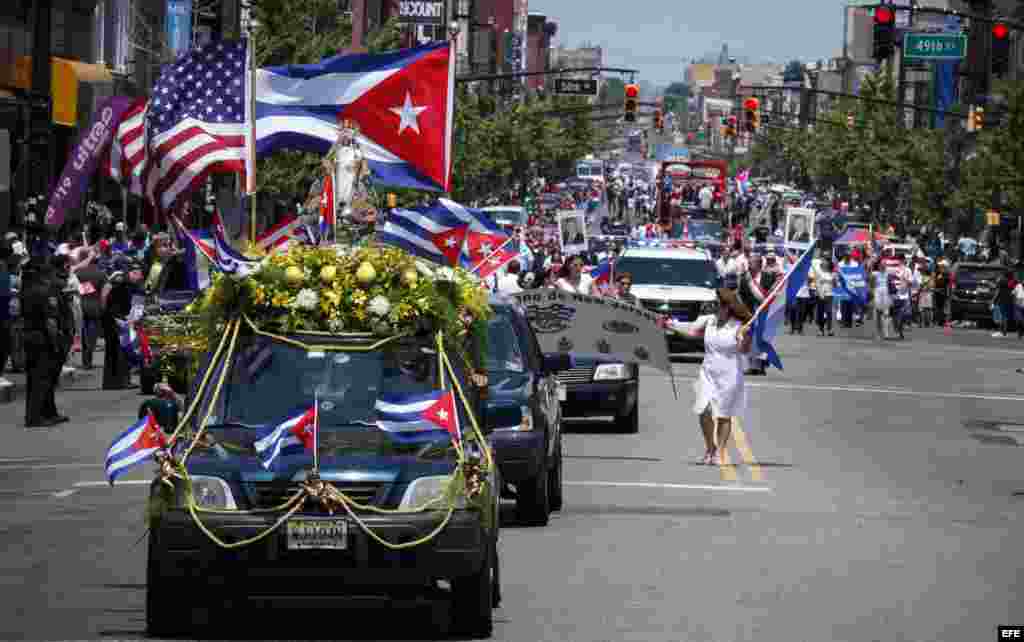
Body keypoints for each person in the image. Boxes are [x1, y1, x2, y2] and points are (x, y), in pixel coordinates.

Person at [667, 288, 753, 466]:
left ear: (728, 307)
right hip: (707, 372)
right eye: (714, 304)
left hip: (729, 374)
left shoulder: (739, 326)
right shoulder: (709, 321)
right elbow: (691, 331)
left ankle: (719, 452)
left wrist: (746, 336)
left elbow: (744, 350)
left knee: (723, 415)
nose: (715, 307)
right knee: (703, 410)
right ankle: (710, 447)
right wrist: (670, 325)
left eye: (718, 304)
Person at [20, 258, 65, 427]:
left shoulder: (24, 291)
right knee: (43, 378)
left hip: (28, 335)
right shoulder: (45, 292)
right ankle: (36, 417)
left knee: (34, 377)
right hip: (43, 338)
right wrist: (55, 341)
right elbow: (51, 322)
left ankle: (47, 413)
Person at [102, 258, 144, 390]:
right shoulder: (122, 283)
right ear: (133, 272)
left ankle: (111, 382)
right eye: (139, 274)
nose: (141, 277)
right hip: (118, 320)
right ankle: (121, 382)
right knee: (122, 351)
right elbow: (110, 299)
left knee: (114, 351)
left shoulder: (125, 283)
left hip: (115, 319)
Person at [814, 258, 835, 336]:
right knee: (820, 312)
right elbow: (816, 283)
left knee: (829, 312)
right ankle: (820, 329)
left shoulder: (832, 273)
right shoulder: (818, 272)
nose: (825, 263)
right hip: (820, 295)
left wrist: (834, 280)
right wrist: (819, 293)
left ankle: (829, 329)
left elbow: (835, 285)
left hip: (829, 295)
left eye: (826, 262)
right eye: (823, 261)